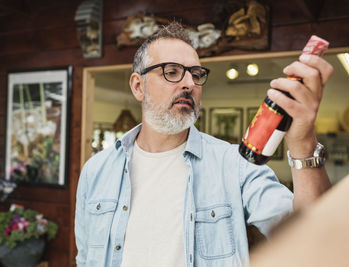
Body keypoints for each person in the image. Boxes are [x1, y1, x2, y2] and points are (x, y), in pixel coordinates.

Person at [75, 22, 333, 267]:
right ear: (138, 86)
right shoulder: (96, 171)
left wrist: (302, 142)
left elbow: (310, 243)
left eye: (196, 74)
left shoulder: (236, 166)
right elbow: (85, 259)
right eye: (172, 72)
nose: (189, 83)